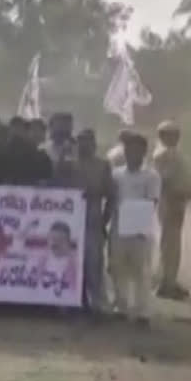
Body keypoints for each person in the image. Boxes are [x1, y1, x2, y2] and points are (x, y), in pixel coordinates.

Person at [110, 132, 160, 327]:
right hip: (118, 226)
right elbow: (112, 199)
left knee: (141, 270)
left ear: (144, 152)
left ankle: (142, 312)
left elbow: (153, 200)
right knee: (118, 268)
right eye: (129, 149)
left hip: (141, 227)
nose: (132, 153)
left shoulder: (151, 175)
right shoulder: (116, 174)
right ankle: (121, 307)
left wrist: (138, 222)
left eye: (137, 150)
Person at [152, 120, 191, 300]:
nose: (176, 138)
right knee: (169, 245)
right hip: (170, 202)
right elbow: (165, 181)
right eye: (172, 134)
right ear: (163, 135)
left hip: (176, 203)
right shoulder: (163, 154)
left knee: (173, 244)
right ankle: (165, 283)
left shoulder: (171, 153)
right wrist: (187, 192)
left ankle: (170, 280)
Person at [75, 129, 115, 314]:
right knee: (73, 263)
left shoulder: (102, 166)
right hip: (71, 223)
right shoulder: (68, 165)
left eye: (88, 142)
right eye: (81, 141)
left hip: (93, 221)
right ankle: (76, 302)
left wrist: (104, 221)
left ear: (94, 144)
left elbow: (111, 196)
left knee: (94, 265)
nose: (84, 145)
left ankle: (96, 304)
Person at [3, 117, 52, 185]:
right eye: (33, 130)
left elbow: (47, 179)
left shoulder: (43, 157)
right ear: (25, 132)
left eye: (40, 130)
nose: (36, 134)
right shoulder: (10, 153)